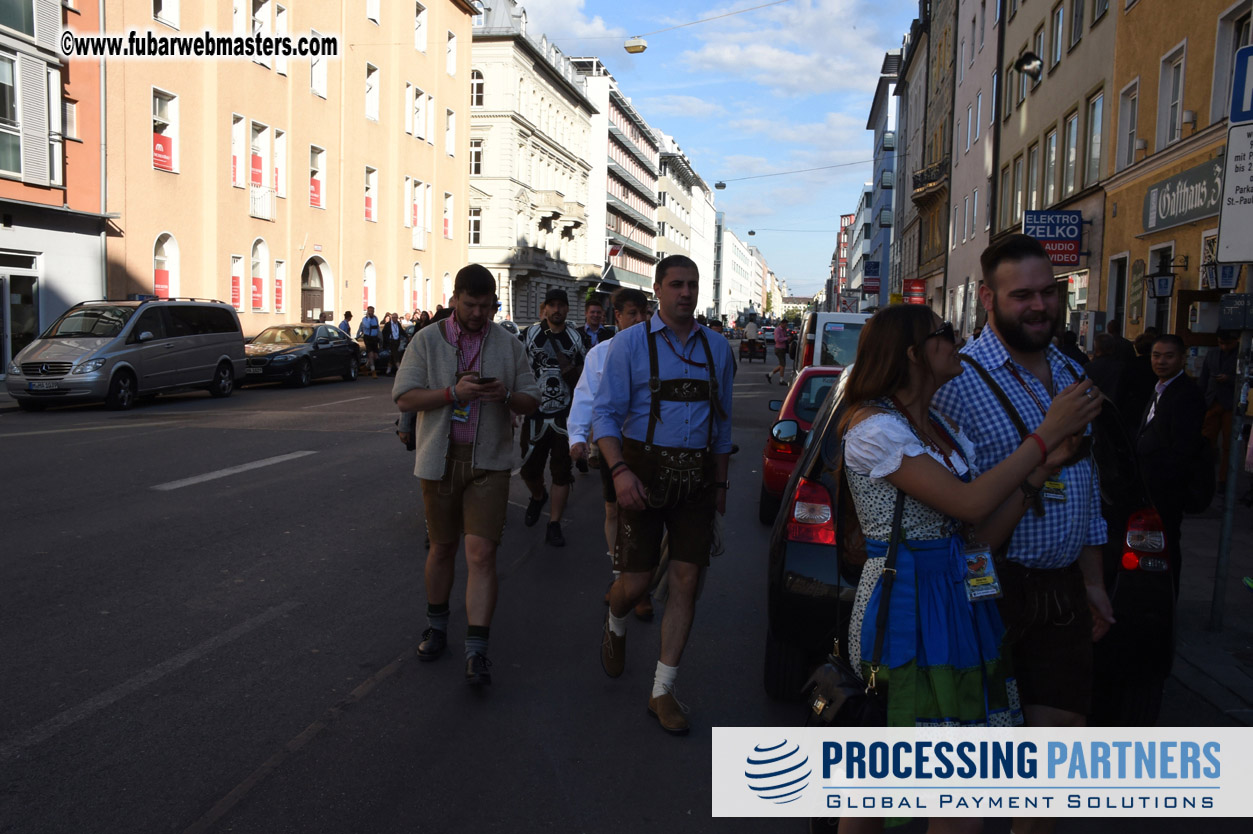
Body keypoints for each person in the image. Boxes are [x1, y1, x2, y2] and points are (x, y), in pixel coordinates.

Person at [838, 305, 1098, 834]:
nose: (958, 340)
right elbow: (970, 503)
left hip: (954, 599)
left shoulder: (937, 427)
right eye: (945, 334)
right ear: (913, 354)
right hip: (906, 606)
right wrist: (1044, 437)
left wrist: (1038, 474)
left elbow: (976, 536)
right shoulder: (875, 429)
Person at [932, 235, 1114, 834]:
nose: (1040, 306)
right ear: (987, 298)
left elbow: (1087, 484)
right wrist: (1043, 452)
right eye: (1022, 296)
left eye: (1047, 292)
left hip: (1061, 589)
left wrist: (1091, 579)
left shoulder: (1069, 370)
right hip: (988, 590)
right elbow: (962, 524)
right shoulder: (956, 384)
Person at [593, 255, 734, 736]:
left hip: (695, 477)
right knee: (634, 585)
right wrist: (619, 472)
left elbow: (722, 423)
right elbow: (605, 416)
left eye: (692, 285)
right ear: (656, 289)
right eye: (677, 284)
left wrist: (720, 484)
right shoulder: (628, 344)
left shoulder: (718, 348)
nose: (686, 293)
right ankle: (615, 617)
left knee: (687, 581)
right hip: (642, 470)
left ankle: (663, 689)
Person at [393, 264, 539, 687]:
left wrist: (507, 396)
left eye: (486, 306)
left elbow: (532, 399)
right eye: (470, 304)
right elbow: (403, 397)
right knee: (441, 548)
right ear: (454, 299)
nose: (478, 313)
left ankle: (477, 650)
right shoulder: (426, 340)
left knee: (481, 554)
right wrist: (452, 393)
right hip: (440, 460)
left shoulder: (509, 346)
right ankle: (436, 628)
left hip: (489, 463)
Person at [568, 287, 652, 618]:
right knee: (614, 510)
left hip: (646, 444)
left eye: (643, 313)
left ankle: (640, 586)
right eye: (632, 313)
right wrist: (577, 435)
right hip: (610, 444)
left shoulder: (656, 350)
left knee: (644, 513)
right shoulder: (600, 354)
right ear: (617, 316)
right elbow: (585, 395)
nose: (639, 320)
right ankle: (620, 576)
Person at [1136, 334, 1206, 596]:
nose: (1161, 361)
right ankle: (1153, 594)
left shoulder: (1186, 394)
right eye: (1156, 355)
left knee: (1166, 542)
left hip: (1166, 487)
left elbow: (1183, 448)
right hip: (1149, 483)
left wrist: (1165, 482)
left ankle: (1167, 597)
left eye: (1168, 356)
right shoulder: (1159, 388)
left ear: (1182, 358)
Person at [519, 288, 587, 546]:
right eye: (552, 305)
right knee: (528, 469)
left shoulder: (576, 338)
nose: (557, 309)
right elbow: (516, 368)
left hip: (565, 415)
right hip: (535, 413)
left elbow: (587, 375)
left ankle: (554, 523)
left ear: (567, 309)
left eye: (562, 305)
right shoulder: (529, 335)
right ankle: (538, 496)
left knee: (561, 472)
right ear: (544, 308)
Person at [1199, 330, 1241, 490]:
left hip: (1231, 404)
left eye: (1227, 343)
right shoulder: (1213, 353)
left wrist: (1230, 379)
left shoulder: (1243, 353)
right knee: (1206, 441)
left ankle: (1225, 480)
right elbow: (1204, 377)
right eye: (1220, 343)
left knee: (1229, 444)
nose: (1223, 347)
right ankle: (1203, 476)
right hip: (1212, 401)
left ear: (1236, 340)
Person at [357, 306, 381, 378]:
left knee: (376, 356)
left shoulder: (376, 318)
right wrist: (369, 318)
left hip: (374, 338)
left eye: (372, 311)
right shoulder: (365, 319)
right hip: (368, 338)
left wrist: (379, 337)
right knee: (371, 355)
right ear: (367, 312)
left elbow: (378, 328)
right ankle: (373, 371)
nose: (371, 312)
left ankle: (365, 367)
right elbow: (367, 326)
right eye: (370, 311)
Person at [766, 321, 789, 385]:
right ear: (781, 323)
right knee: (782, 365)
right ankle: (781, 380)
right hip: (779, 349)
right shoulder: (777, 330)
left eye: (786, 325)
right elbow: (777, 339)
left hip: (783, 349)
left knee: (782, 365)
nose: (785, 326)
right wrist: (786, 338)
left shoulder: (784, 330)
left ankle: (770, 375)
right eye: (785, 324)